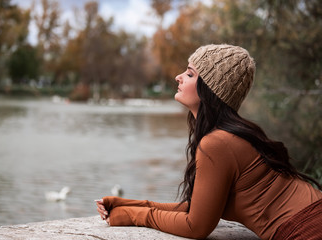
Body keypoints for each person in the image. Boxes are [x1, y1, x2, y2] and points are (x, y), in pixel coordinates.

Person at [95, 44, 322, 240]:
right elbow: (200, 208)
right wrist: (130, 205)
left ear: (211, 91)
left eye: (190, 74)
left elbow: (197, 226)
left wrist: (135, 216)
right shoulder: (228, 136)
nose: (178, 77)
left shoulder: (217, 143)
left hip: (308, 230)